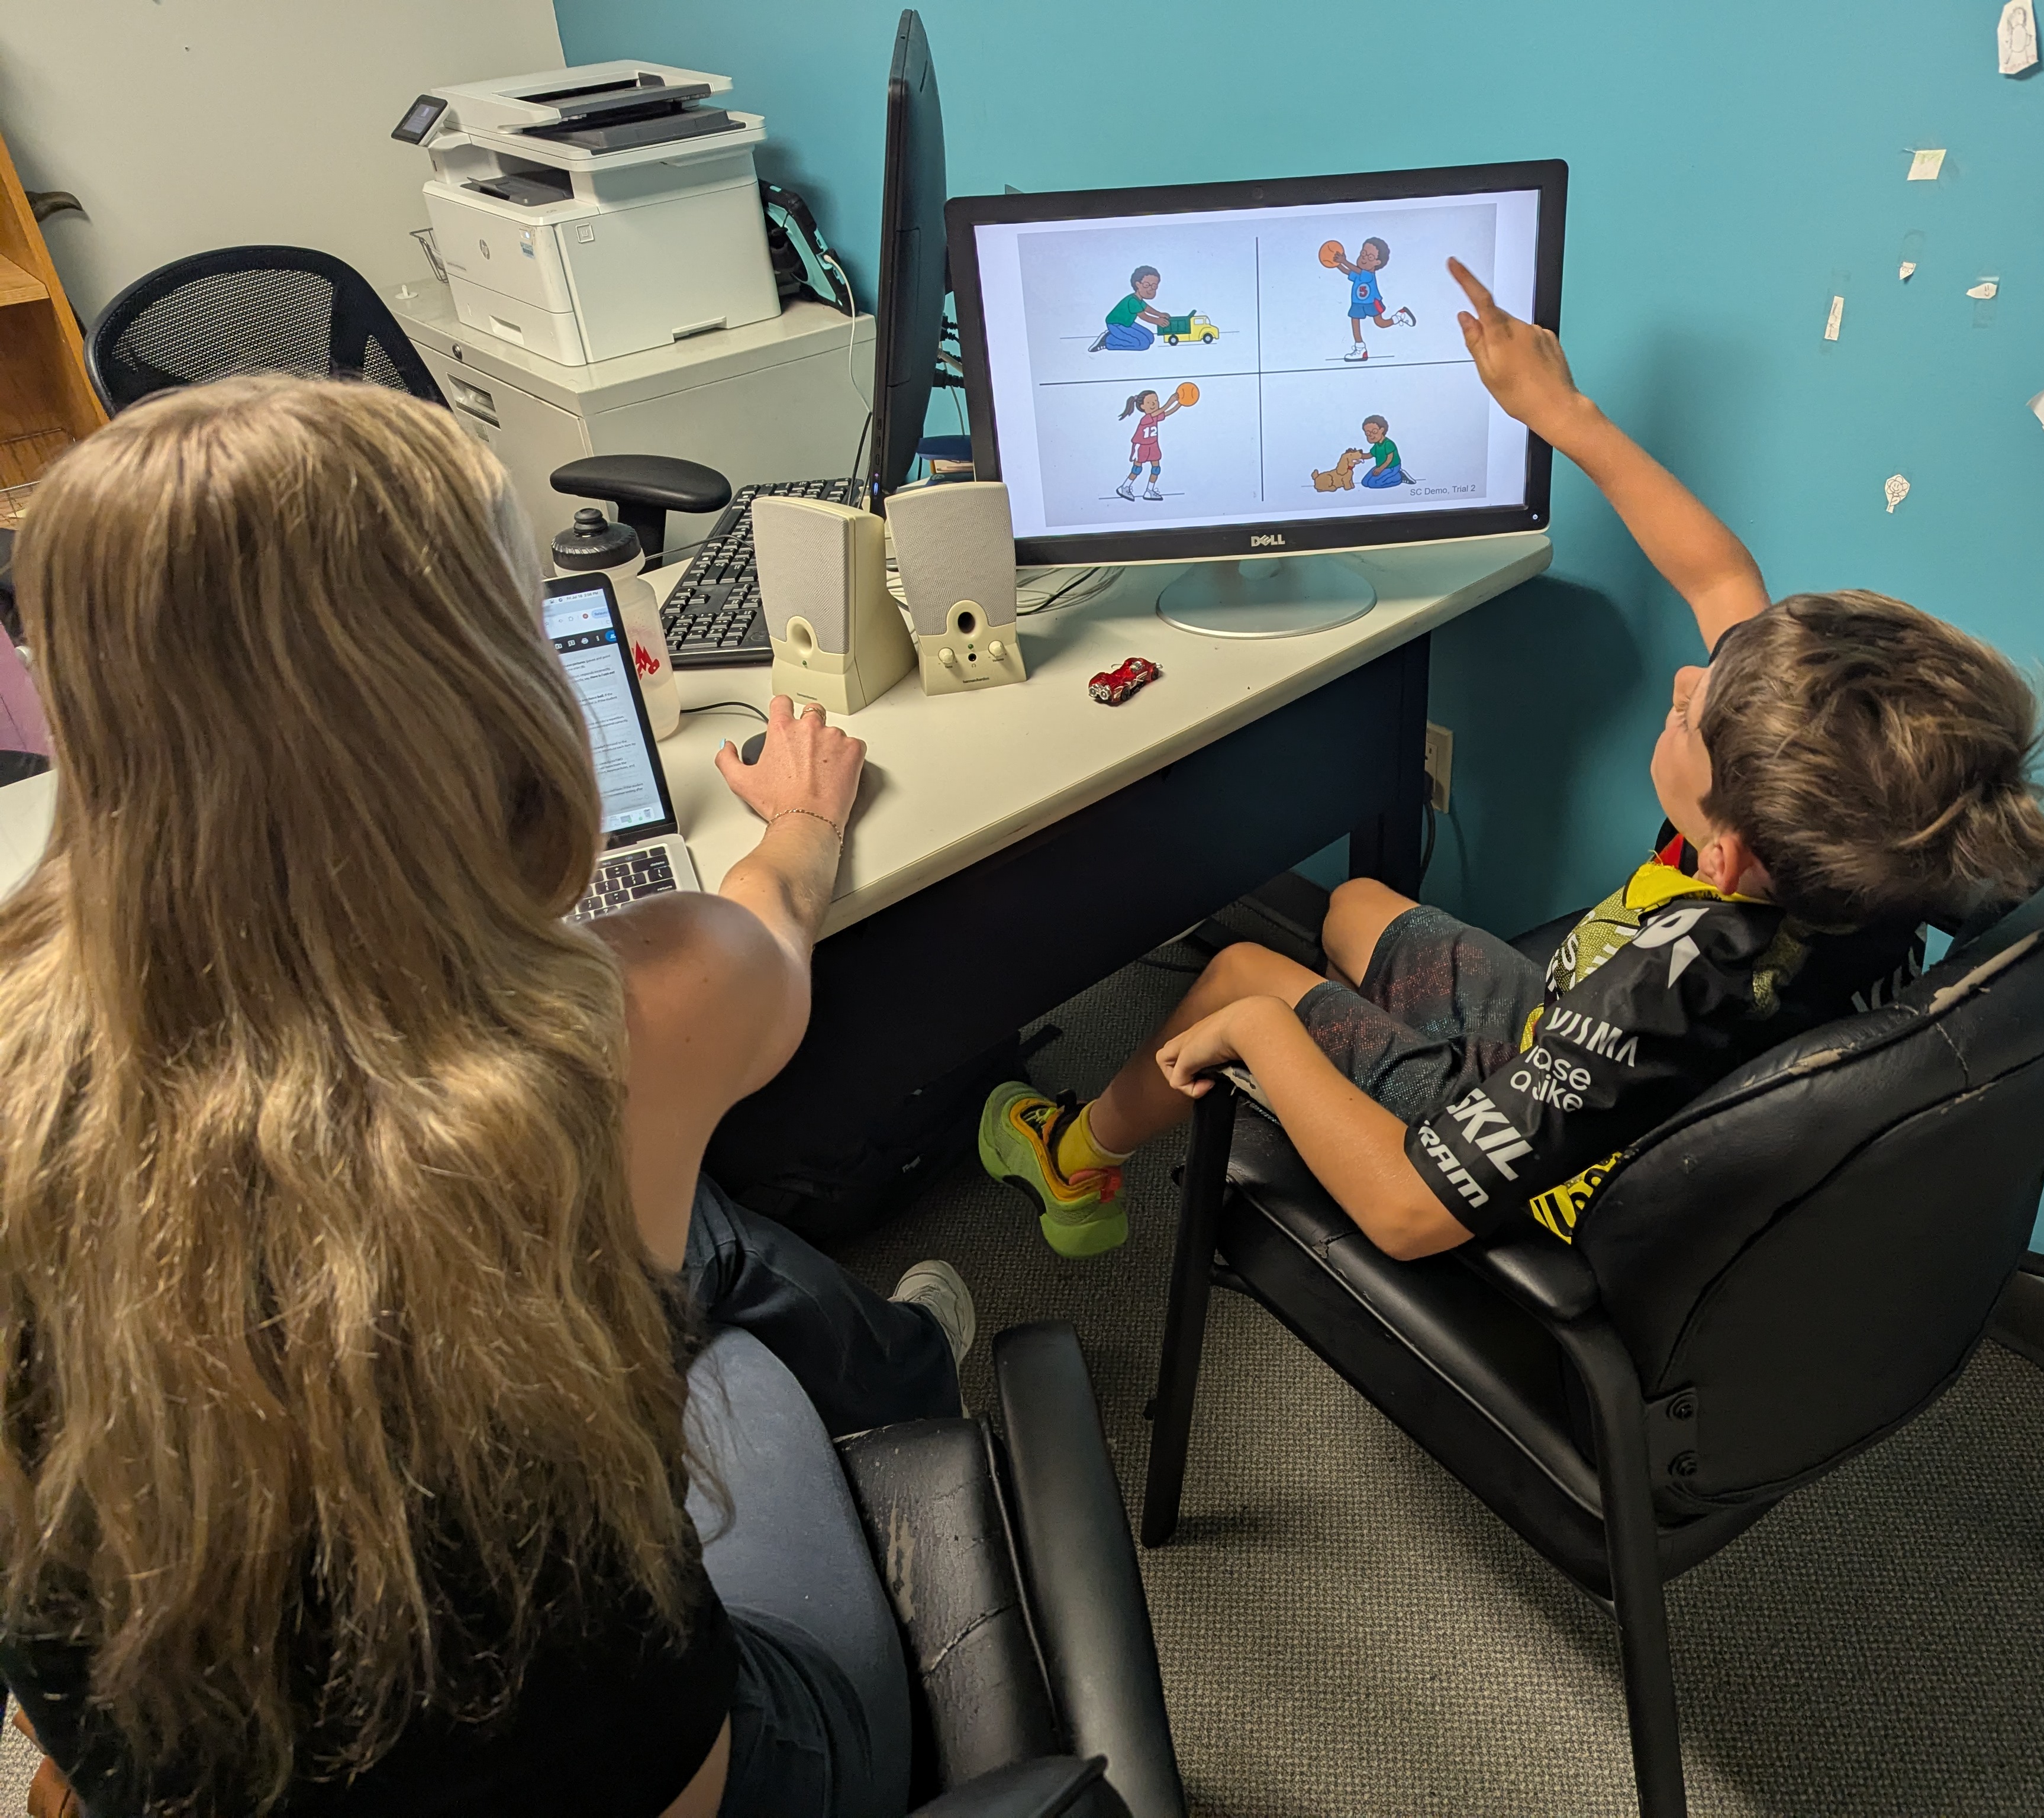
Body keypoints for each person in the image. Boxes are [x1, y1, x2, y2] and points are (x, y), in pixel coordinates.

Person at [0, 376, 965, 1817]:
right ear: (479, 679)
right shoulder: (640, 1006)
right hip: (704, 1782)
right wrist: (807, 812)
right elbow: (769, 909)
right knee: (724, 1318)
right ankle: (907, 1373)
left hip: (181, 1761)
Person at [979, 258, 2044, 1263]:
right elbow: (1721, 582)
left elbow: (1412, 1217)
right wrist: (1561, 413)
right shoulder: (1885, 836)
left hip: (1546, 1144)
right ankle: (1323, 1029)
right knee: (1353, 907)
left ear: (1728, 853)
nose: (1686, 682)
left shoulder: (1654, 1003)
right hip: (1564, 1034)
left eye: (1694, 712)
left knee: (1240, 980)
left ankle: (1072, 1160)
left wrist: (1265, 1034)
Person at [1116, 386, 1187, 502]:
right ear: (1143, 406)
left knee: (1156, 469)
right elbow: (1163, 410)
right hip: (1141, 446)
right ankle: (1125, 487)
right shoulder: (1146, 419)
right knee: (1137, 469)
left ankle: (1149, 491)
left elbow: (1168, 412)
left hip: (1153, 445)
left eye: (1156, 401)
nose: (1154, 403)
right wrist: (1170, 401)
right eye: (1150, 402)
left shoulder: (1156, 416)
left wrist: (1181, 403)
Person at [1091, 264, 1173, 352]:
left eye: (1154, 286)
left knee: (1150, 338)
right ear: (1138, 285)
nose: (1151, 289)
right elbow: (1144, 316)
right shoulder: (1132, 301)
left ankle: (1113, 336)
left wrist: (1160, 314)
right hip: (1116, 324)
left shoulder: (1138, 300)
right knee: (1143, 344)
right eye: (1147, 285)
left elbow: (1147, 309)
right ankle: (1108, 341)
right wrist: (1157, 321)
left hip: (1127, 323)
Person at [1356, 414, 1411, 489]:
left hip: (1392, 467)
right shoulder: (1377, 445)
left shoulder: (1388, 444)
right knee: (1365, 483)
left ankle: (1400, 477)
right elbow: (1369, 455)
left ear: (1382, 430)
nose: (1371, 435)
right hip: (1381, 467)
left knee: (1373, 484)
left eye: (1374, 431)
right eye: (1368, 433)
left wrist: (1380, 469)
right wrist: (1356, 455)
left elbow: (1389, 459)